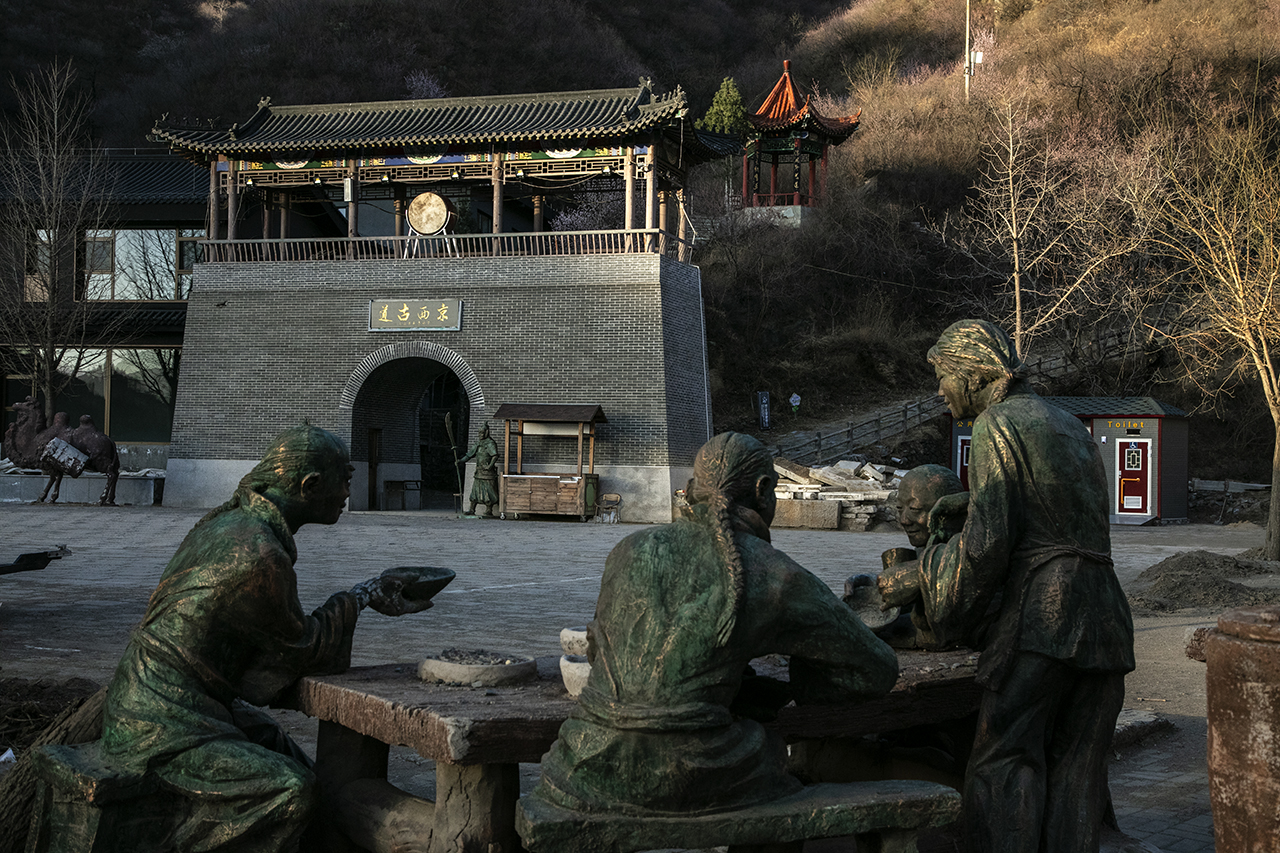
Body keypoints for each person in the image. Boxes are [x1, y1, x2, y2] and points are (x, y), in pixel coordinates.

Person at [100, 423, 434, 852]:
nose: (348, 492)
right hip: (161, 716)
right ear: (310, 485)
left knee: (282, 748)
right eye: (345, 480)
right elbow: (300, 652)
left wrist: (365, 593)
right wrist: (361, 596)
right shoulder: (258, 555)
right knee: (291, 790)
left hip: (183, 698)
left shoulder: (233, 520)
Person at [530, 432, 899, 816]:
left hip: (581, 758)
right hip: (693, 769)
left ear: (690, 489)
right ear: (764, 491)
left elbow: (613, 655)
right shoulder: (778, 575)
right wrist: (799, 680)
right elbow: (877, 670)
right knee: (778, 757)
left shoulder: (628, 549)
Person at [878, 320, 1134, 853]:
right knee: (1077, 770)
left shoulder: (998, 425)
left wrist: (923, 580)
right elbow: (1058, 516)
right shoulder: (1069, 427)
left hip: (1047, 616)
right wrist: (969, 504)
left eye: (943, 376)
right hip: (1106, 616)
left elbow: (988, 548)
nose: (939, 391)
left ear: (973, 374)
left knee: (1004, 761)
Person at [457, 421, 499, 517]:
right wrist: (460, 460)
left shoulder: (490, 443)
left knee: (489, 491)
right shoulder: (478, 443)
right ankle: (472, 509)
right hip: (479, 472)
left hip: (488, 473)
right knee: (475, 491)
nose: (480, 435)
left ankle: (489, 510)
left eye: (482, 432)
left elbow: (495, 455)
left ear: (486, 432)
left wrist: (490, 466)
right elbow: (469, 455)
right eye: (479, 433)